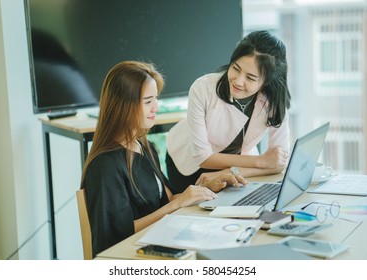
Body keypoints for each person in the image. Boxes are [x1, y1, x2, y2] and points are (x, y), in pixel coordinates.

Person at [80, 61, 247, 257]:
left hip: (159, 240)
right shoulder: (105, 165)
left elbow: (168, 199)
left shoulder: (145, 147)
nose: (156, 107)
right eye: (148, 101)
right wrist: (176, 205)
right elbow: (117, 235)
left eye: (156, 99)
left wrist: (207, 189)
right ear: (123, 105)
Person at [166, 30, 291, 194]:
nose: (238, 81)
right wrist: (262, 162)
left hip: (240, 167)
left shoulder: (273, 101)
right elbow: (203, 157)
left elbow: (278, 163)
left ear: (267, 80)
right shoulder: (203, 88)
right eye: (236, 68)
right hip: (189, 166)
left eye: (251, 78)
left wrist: (229, 173)